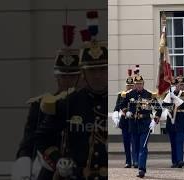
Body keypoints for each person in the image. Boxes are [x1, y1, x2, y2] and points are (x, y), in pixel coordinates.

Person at [35, 39, 108, 180]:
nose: (98, 75)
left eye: (102, 69)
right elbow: (42, 137)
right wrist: (58, 161)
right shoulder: (69, 102)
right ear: (83, 73)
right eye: (92, 70)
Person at [12, 47, 81, 180]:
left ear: (79, 77)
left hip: (79, 168)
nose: (67, 81)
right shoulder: (40, 104)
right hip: (49, 167)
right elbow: (29, 140)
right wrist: (23, 163)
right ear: (56, 77)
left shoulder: (84, 105)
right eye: (63, 77)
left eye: (72, 76)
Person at [120, 73, 162, 178]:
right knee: (136, 146)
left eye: (140, 83)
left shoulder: (149, 95)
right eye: (137, 83)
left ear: (143, 84)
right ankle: (138, 163)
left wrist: (155, 120)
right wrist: (126, 112)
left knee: (143, 147)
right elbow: (122, 105)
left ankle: (141, 169)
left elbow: (159, 109)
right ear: (134, 84)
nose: (139, 85)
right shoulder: (129, 94)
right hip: (133, 124)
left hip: (145, 124)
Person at [112, 69, 135, 168]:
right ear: (126, 86)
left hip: (134, 120)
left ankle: (135, 161)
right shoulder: (121, 95)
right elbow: (116, 108)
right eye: (128, 86)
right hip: (125, 121)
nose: (129, 87)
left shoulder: (136, 94)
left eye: (131, 86)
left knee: (134, 142)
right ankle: (128, 161)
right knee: (126, 142)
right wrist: (115, 118)